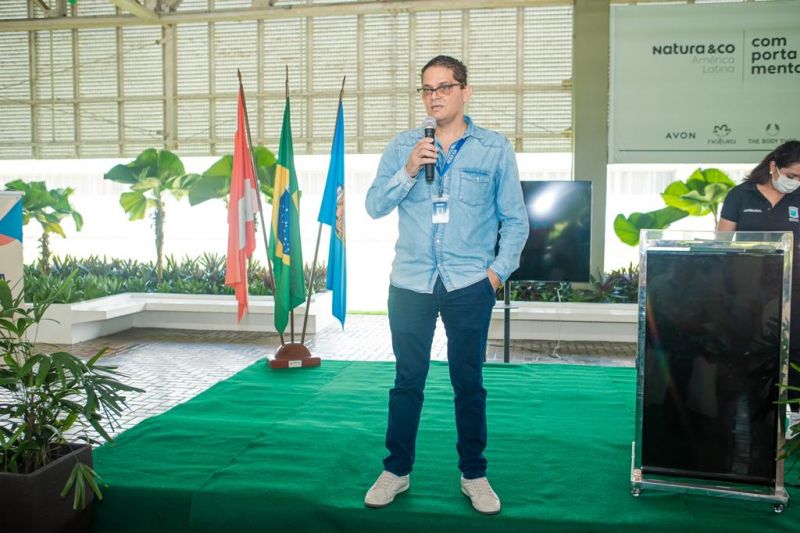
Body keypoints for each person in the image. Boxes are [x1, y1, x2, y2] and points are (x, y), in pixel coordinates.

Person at [363, 55, 528, 515]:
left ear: (465, 92)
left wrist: (495, 275)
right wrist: (408, 170)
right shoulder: (404, 146)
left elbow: (515, 220)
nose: (434, 96)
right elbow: (373, 205)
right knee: (407, 381)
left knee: (469, 383)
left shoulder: (494, 149)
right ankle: (396, 470)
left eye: (444, 87)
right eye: (426, 89)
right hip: (410, 282)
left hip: (469, 283)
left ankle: (474, 474)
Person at [718, 140, 800, 429]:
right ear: (773, 166)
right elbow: (721, 245)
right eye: (791, 175)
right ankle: (750, 421)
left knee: (795, 352)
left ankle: (794, 420)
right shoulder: (741, 196)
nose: (796, 182)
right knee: (750, 354)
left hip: (793, 292)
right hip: (747, 291)